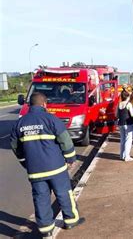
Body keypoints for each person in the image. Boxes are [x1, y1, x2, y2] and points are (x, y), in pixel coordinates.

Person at [10, 92, 85, 237]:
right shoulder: (51, 119)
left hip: (35, 170)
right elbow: (65, 140)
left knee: (41, 198)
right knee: (64, 194)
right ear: (44, 104)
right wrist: (70, 159)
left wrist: (25, 162)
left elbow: (15, 147)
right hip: (56, 168)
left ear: (30, 105)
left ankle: (45, 229)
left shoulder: (20, 123)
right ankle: (70, 220)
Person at [117, 90, 133, 161]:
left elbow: (116, 115)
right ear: (127, 96)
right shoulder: (128, 104)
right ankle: (127, 156)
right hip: (128, 123)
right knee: (128, 139)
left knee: (122, 139)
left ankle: (121, 155)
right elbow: (132, 114)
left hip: (120, 123)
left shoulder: (119, 104)